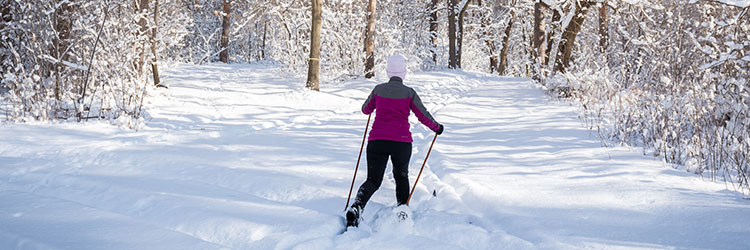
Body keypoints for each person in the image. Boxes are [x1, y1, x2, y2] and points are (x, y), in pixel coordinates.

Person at [346, 54, 444, 227]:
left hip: (377, 141)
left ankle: (357, 207)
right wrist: (436, 127)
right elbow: (423, 115)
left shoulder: (378, 90)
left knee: (373, 180)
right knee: (401, 176)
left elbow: (365, 110)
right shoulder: (409, 93)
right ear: (404, 73)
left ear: (388, 72)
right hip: (401, 142)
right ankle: (402, 211)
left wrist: (376, 105)